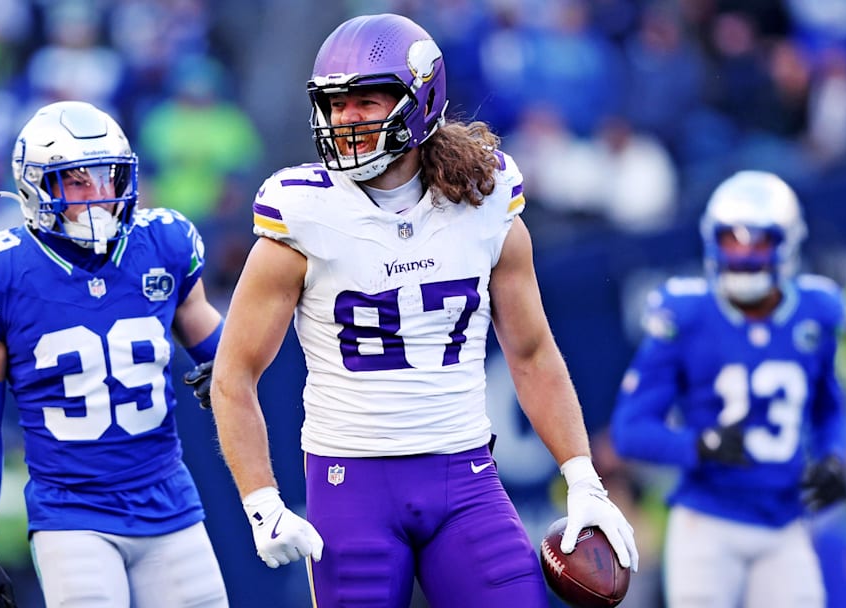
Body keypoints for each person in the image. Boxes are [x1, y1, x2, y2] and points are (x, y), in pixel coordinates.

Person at [206, 13, 638, 608]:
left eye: (365, 100)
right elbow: (234, 374)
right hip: (349, 483)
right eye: (335, 104)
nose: (345, 119)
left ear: (419, 102)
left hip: (464, 478)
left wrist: (582, 477)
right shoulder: (303, 215)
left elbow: (532, 352)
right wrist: (260, 501)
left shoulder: (484, 201)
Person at [0, 100, 229, 608]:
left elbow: (224, 349)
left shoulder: (163, 244)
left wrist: (231, 368)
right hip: (71, 513)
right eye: (77, 182)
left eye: (109, 179)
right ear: (35, 186)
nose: (99, 197)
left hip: (170, 501)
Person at [610, 170, 846, 607]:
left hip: (784, 521)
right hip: (708, 521)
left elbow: (828, 409)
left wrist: (834, 457)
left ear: (787, 244)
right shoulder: (687, 314)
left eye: (757, 242)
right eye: (732, 241)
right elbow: (630, 430)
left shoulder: (816, 312)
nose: (743, 255)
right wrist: (699, 445)